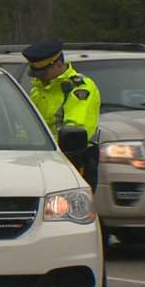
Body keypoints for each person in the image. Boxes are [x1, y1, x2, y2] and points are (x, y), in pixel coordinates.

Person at [23, 38, 102, 187]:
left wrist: (42, 144)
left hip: (73, 161)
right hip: (41, 159)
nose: (39, 77)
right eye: (36, 73)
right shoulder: (37, 91)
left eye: (43, 73)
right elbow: (26, 126)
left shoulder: (80, 89)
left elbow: (74, 129)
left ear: (59, 65)